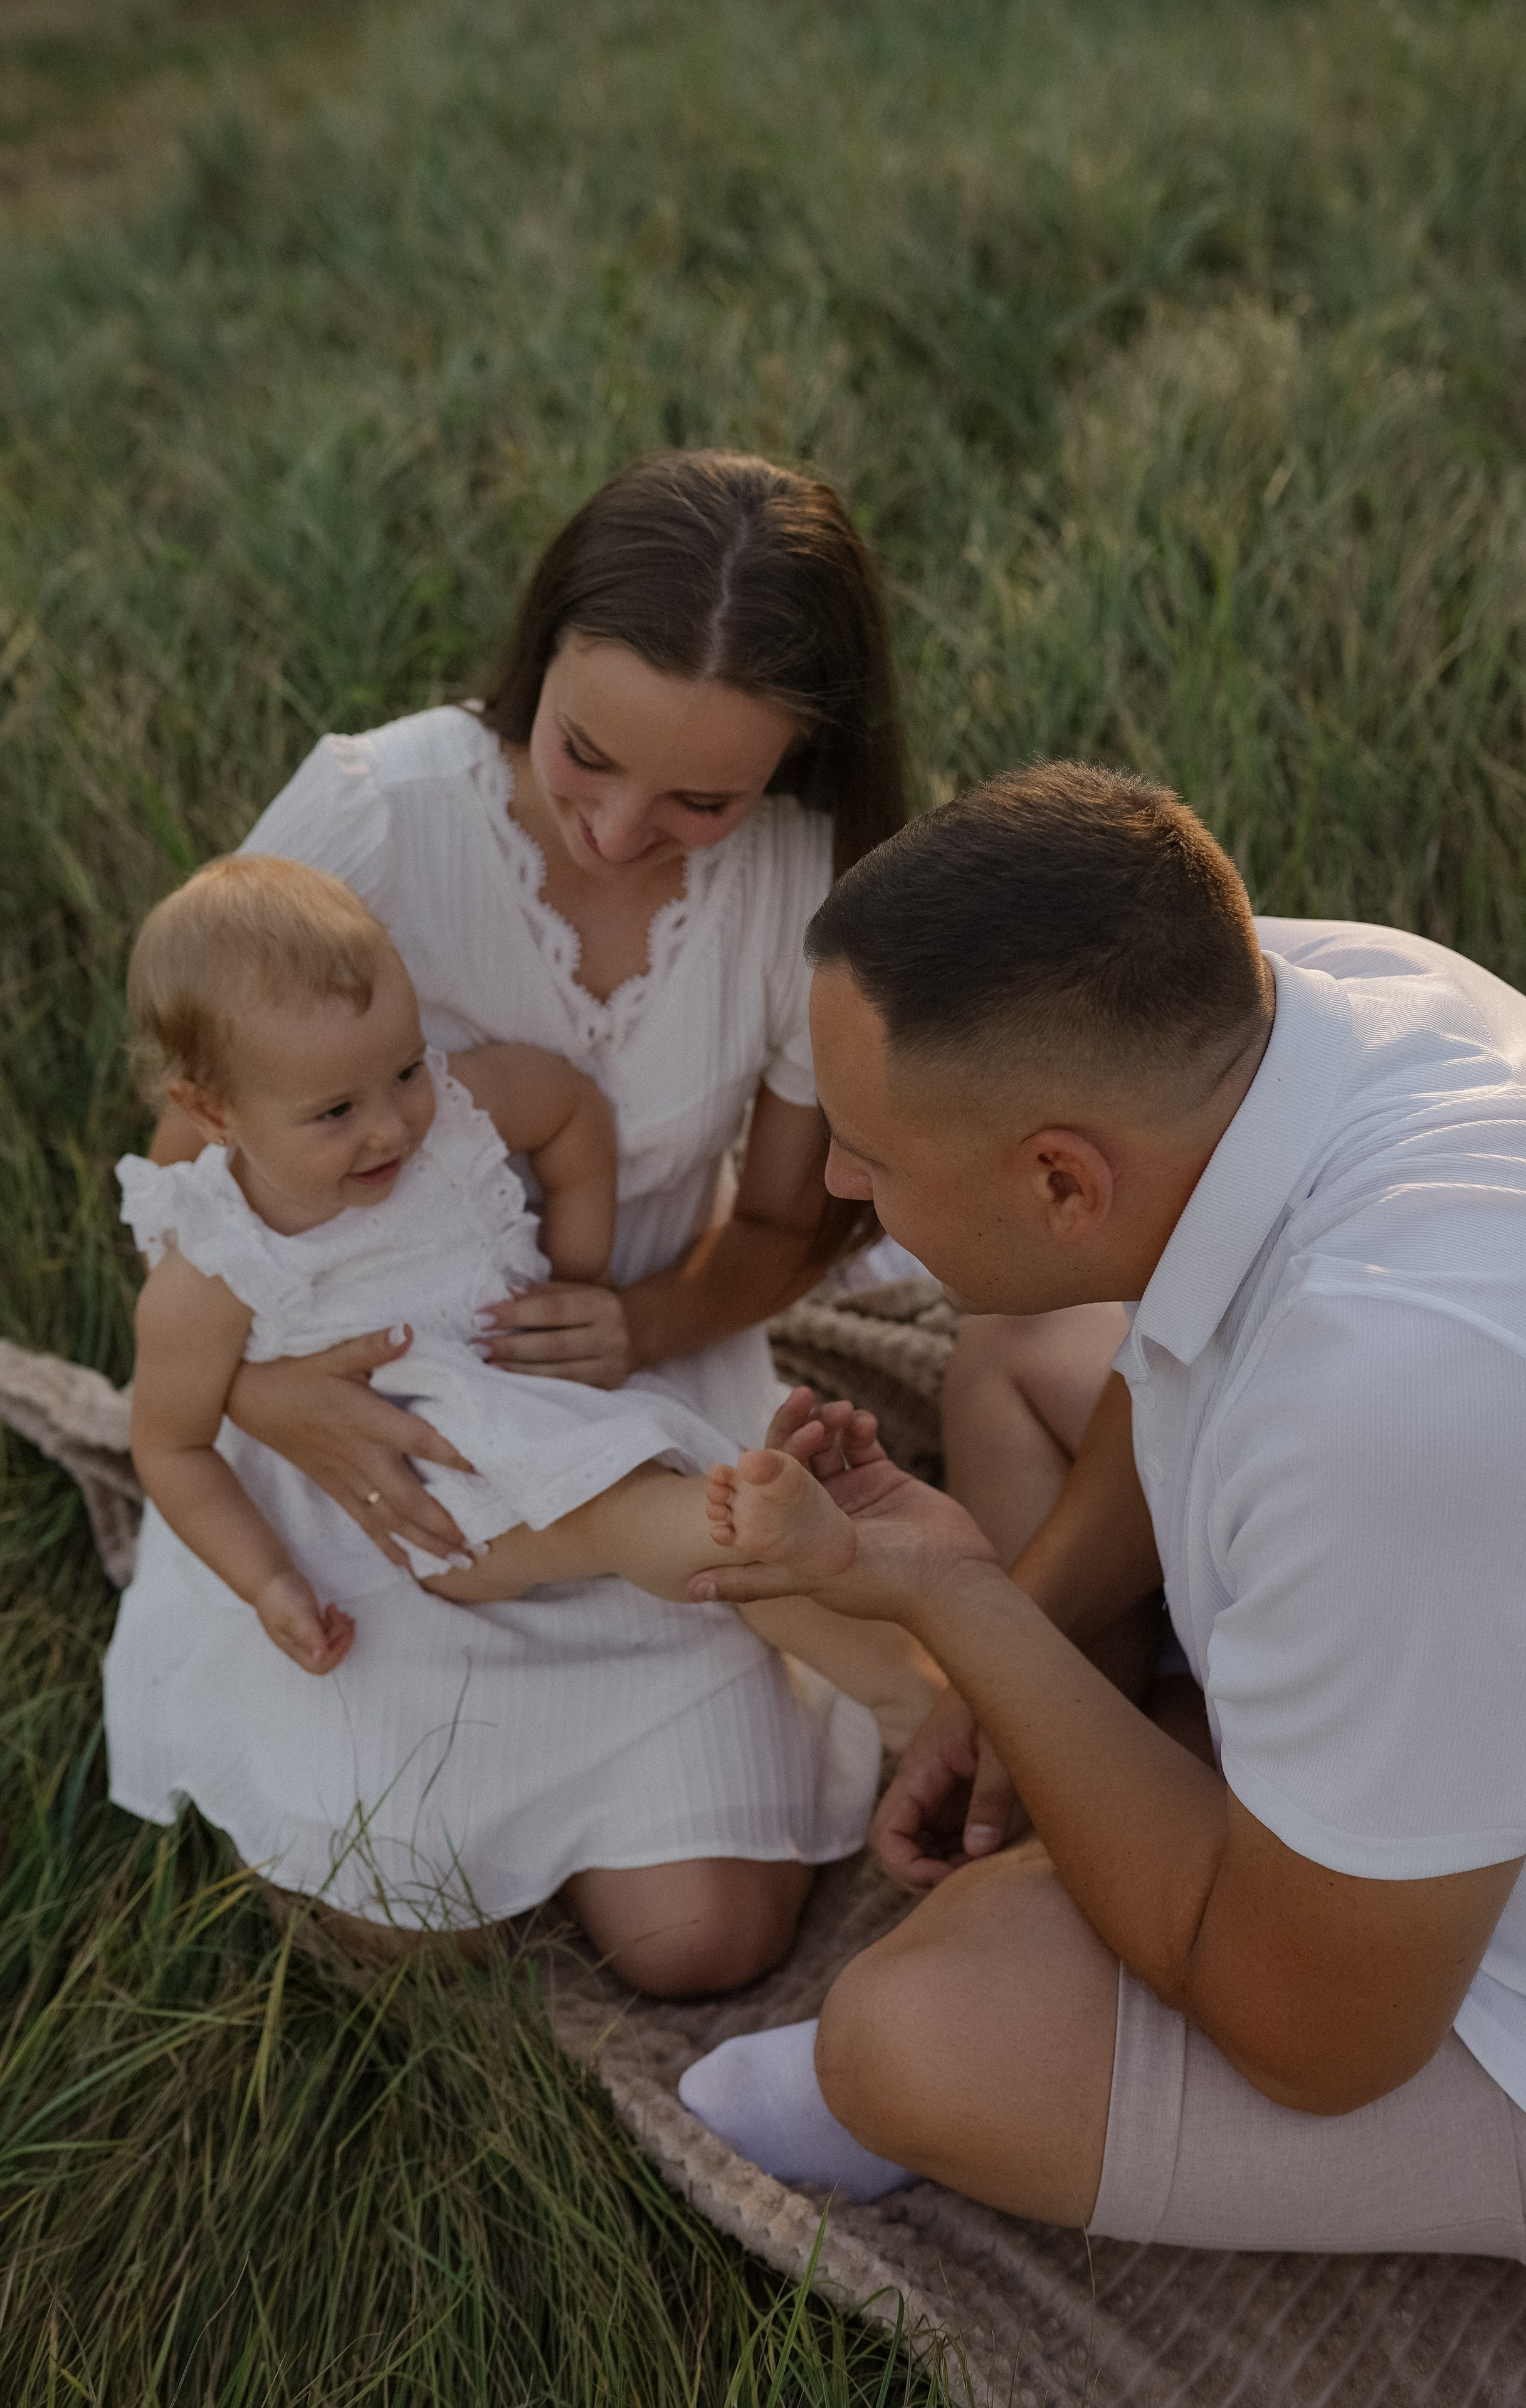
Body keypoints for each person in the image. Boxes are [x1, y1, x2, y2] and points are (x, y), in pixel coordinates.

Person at [103, 449, 937, 1998]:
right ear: (538, 652)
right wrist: (278, 1399)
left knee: (703, 1941)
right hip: (349, 1398)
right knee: (390, 1904)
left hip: (629, 1377)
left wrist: (639, 1322)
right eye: (584, 756)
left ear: (798, 764)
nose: (620, 831)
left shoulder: (810, 884)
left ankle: (906, 1689)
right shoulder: (377, 810)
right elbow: (198, 1165)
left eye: (701, 797)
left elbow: (777, 1227)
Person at [679, 761, 1526, 2260]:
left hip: (1415, 1987)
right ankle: (1199, 1786)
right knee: (1016, 1352)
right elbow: (1171, 1354)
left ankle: (1204, 1827)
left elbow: (1310, 2046)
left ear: (1063, 1180)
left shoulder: (1387, 1415)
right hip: (1422, 1587)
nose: (843, 1185)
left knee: (908, 2036)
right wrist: (1044, 1646)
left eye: (870, 1162)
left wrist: (967, 1606)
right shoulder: (1317, 998)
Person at [120, 852, 929, 1740]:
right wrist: (269, 1580)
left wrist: (580, 1276)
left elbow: (569, 1109)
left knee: (679, 1514)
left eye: (402, 1072)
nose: (391, 1126)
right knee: (625, 1511)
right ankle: (743, 1527)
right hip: (422, 1496)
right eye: (334, 1114)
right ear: (214, 1113)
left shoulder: (455, 1109)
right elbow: (172, 1446)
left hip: (532, 1401)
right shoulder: (217, 1268)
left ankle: (904, 1692)